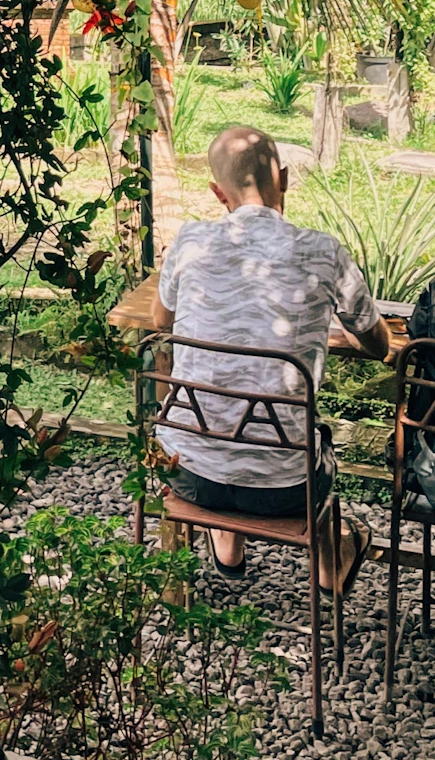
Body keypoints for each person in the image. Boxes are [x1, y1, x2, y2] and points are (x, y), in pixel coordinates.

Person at [150, 122, 392, 585]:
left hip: (188, 472)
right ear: (284, 177)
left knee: (225, 414)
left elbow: (162, 320)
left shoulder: (190, 241)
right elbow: (377, 342)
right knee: (306, 444)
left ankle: (227, 546)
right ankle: (334, 562)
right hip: (286, 490)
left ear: (217, 193)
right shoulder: (324, 252)